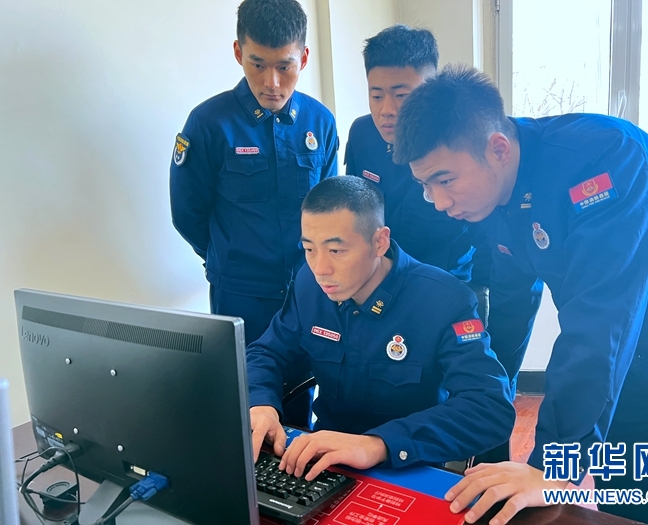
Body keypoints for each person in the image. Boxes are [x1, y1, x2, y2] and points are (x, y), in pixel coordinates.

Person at [392, 65, 648, 525]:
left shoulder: (605, 158)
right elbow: (512, 302)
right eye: (425, 186)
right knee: (625, 503)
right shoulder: (493, 201)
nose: (438, 201)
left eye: (445, 179)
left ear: (498, 148)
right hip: (629, 368)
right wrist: (491, 393)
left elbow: (601, 319)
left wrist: (551, 468)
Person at [246, 176, 514, 480]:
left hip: (407, 464)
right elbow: (267, 352)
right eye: (309, 249)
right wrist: (261, 404)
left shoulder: (445, 301)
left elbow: (489, 408)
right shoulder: (309, 285)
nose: (320, 269)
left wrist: (378, 445)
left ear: (379, 242)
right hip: (323, 460)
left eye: (336, 251)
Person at [170, 0, 337, 426]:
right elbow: (187, 213)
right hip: (240, 294)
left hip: (307, 289)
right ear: (238, 52)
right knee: (245, 404)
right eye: (257, 64)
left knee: (299, 397)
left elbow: (330, 212)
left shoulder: (320, 123)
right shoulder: (209, 123)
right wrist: (228, 258)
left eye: (284, 66)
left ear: (303, 58)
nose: (271, 82)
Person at [344, 25, 492, 308]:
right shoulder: (363, 135)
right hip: (381, 289)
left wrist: (476, 296)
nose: (387, 110)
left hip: (446, 293)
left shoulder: (460, 143)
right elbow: (355, 212)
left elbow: (488, 241)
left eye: (402, 95)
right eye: (377, 96)